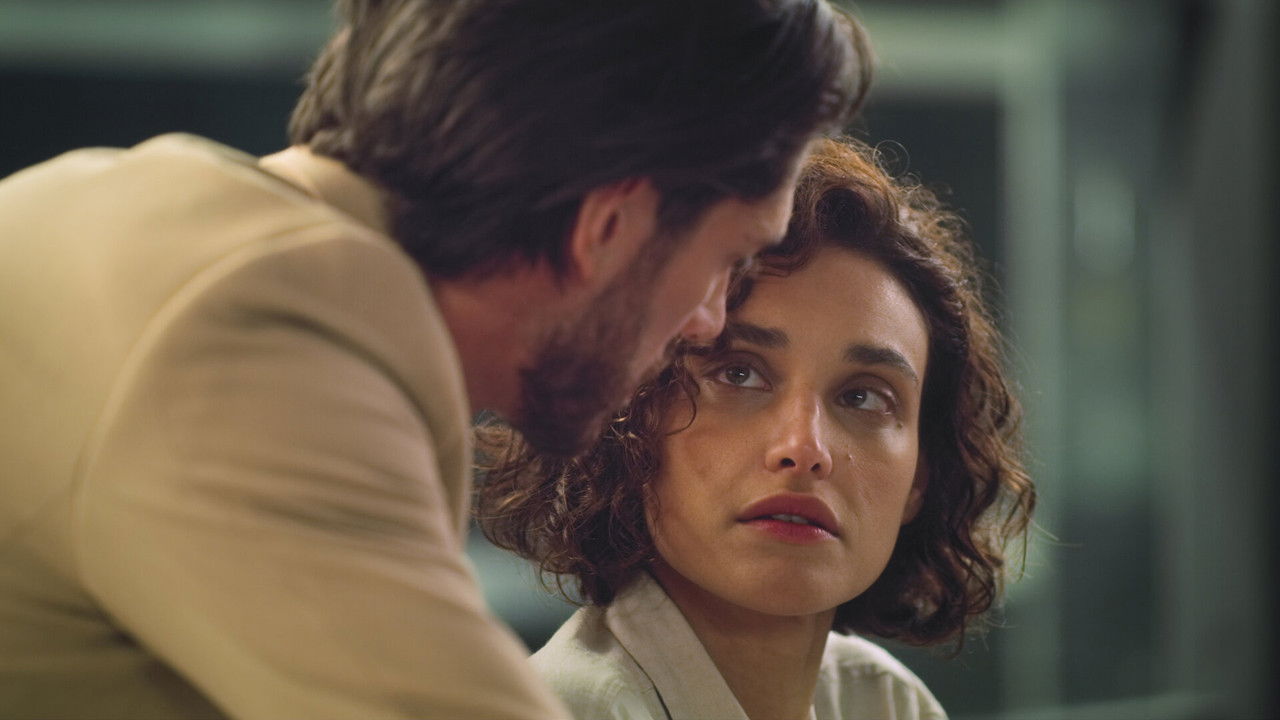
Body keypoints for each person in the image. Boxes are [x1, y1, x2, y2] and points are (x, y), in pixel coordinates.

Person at [0, 2, 872, 718]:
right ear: (609, 226)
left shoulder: (99, 196)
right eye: (727, 260)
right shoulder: (253, 344)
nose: (707, 323)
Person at [477, 137, 1037, 720]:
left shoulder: (885, 704)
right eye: (738, 374)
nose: (804, 448)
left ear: (921, 477)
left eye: (863, 397)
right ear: (627, 416)